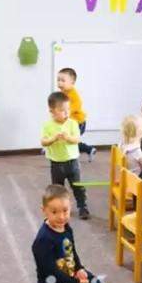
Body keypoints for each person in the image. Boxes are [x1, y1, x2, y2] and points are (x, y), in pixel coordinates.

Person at [30, 185, 103, 283]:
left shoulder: (66, 227)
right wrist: (76, 282)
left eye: (65, 211)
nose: (61, 217)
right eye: (54, 212)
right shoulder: (43, 240)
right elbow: (51, 272)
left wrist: (79, 268)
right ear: (44, 210)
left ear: (70, 207)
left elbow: (72, 251)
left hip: (69, 271)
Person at [41, 91, 90, 219]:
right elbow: (43, 142)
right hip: (56, 164)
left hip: (72, 162)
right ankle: (59, 208)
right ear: (52, 111)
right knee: (58, 189)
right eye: (63, 110)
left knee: (77, 186)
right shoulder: (48, 126)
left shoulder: (72, 123)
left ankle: (82, 207)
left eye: (68, 109)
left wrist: (68, 138)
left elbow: (77, 139)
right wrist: (53, 139)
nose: (67, 113)